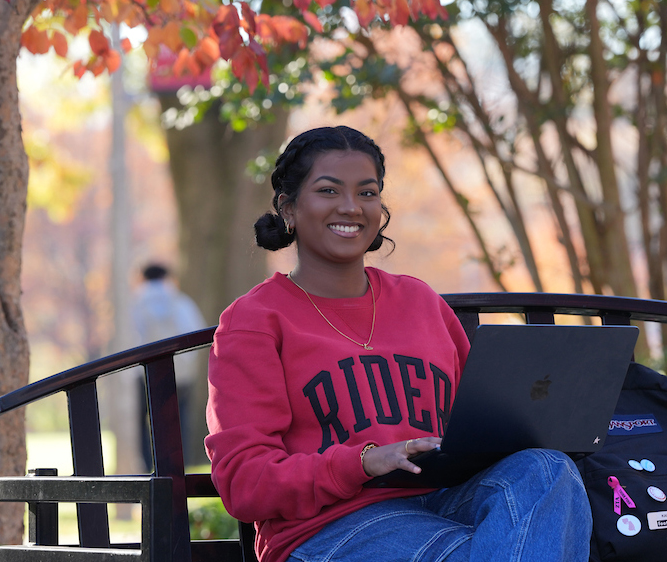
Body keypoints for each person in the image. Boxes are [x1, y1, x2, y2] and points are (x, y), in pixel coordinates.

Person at [204, 126, 591, 562]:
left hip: (448, 500)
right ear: (288, 208)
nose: (351, 207)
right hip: (333, 525)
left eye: (367, 193)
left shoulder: (420, 300)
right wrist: (363, 461)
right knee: (477, 553)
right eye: (329, 190)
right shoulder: (254, 322)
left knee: (547, 470)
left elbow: (480, 423)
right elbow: (245, 482)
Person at [131, 262, 207, 470]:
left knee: (145, 423)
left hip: (144, 373)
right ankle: (178, 468)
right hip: (179, 375)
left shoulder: (135, 303)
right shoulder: (181, 302)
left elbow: (129, 338)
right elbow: (196, 332)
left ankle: (150, 469)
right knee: (178, 422)